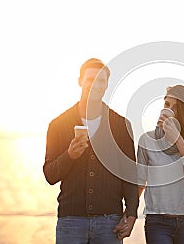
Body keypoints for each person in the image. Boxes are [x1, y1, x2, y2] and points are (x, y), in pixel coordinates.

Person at [43, 58, 139, 244]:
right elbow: (50, 175)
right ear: (80, 81)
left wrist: (132, 215)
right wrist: (69, 156)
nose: (96, 85)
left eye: (101, 81)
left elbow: (129, 175)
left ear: (107, 85)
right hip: (70, 222)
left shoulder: (121, 125)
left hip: (110, 222)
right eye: (90, 79)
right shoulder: (58, 125)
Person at [137, 85, 184, 244]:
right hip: (157, 221)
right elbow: (140, 181)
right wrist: (129, 214)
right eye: (166, 105)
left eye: (175, 107)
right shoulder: (147, 140)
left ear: (183, 112)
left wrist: (178, 139)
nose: (168, 109)